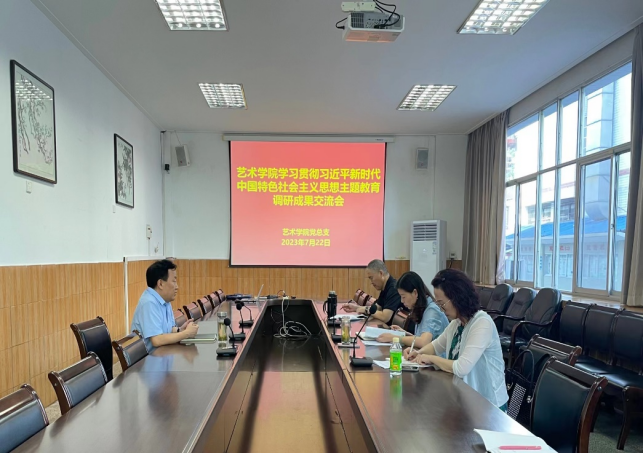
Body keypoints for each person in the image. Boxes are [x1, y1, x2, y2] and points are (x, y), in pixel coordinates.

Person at [406, 269, 508, 410]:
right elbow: (436, 346)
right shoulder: (457, 323)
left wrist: (430, 358)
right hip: (466, 399)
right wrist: (417, 353)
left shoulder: (482, 323)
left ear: (457, 298)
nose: (441, 309)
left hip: (489, 405)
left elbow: (461, 368)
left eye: (442, 304)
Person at [131, 259, 198, 350]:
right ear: (161, 284)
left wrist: (180, 330)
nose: (177, 287)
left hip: (163, 352)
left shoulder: (165, 301)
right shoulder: (149, 303)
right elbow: (157, 340)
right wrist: (186, 334)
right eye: (174, 281)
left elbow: (169, 330)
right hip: (151, 357)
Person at [375, 271, 448, 349]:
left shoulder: (432, 310)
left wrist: (395, 338)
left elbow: (423, 342)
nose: (402, 301)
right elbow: (422, 338)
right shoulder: (423, 308)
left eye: (403, 296)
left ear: (415, 293)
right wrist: (405, 334)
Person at [342, 260, 402, 326]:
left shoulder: (393, 288)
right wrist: (356, 308)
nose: (371, 282)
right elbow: (377, 308)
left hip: (392, 330)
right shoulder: (385, 287)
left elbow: (385, 317)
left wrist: (365, 310)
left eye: (371, 278)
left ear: (381, 273)